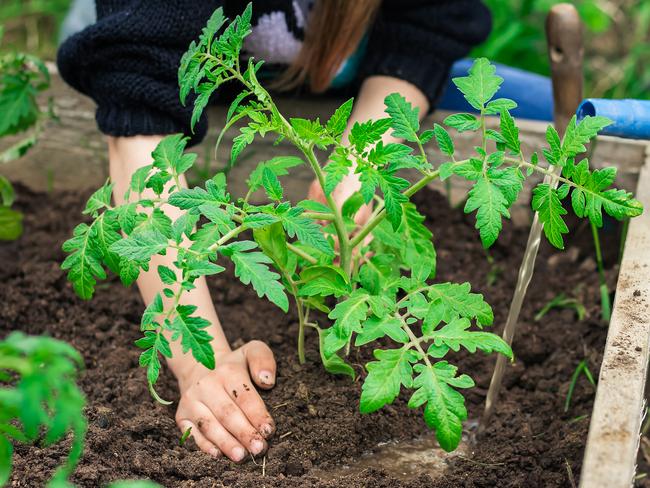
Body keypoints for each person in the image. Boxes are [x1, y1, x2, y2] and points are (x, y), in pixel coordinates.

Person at [57, 0, 491, 463]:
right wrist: (201, 362)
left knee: (540, 103)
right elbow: (141, 119)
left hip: (345, 77)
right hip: (162, 60)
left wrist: (357, 170)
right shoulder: (149, 48)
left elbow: (423, 27)